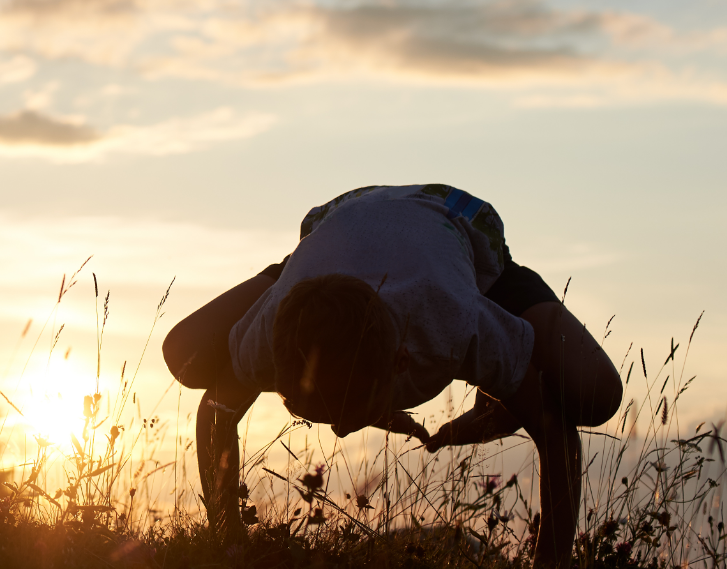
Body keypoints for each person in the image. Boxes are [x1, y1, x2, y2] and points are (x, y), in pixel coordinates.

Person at [161, 184, 621, 568]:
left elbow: (554, 431)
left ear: (401, 362)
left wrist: (552, 562)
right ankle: (299, 270)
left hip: (454, 222)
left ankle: (500, 403)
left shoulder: (455, 322)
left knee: (595, 395)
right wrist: (227, 534)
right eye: (313, 409)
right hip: (337, 226)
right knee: (184, 355)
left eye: (347, 412)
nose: (339, 430)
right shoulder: (275, 329)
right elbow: (217, 407)